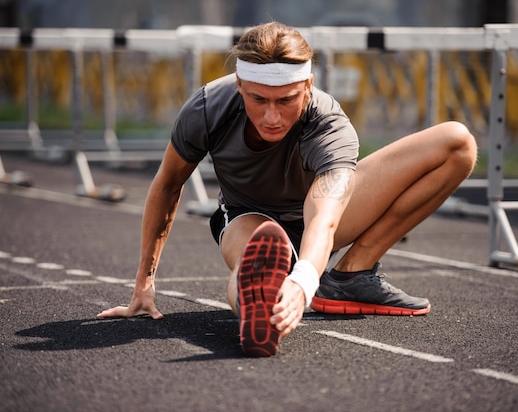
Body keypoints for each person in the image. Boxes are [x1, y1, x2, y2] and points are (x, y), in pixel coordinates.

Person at [97, 21, 477, 357]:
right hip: (247, 217)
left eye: (287, 100)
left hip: (314, 217)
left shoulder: (329, 125)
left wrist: (305, 279)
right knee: (257, 256)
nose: (272, 116)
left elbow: (325, 219)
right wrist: (144, 283)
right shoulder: (208, 107)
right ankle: (256, 315)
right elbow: (167, 184)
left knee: (456, 142)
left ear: (308, 85)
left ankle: (352, 275)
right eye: (258, 100)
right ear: (241, 85)